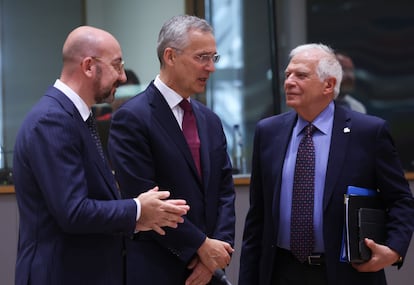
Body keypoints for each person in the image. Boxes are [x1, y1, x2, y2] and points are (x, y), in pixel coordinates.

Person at [13, 26, 190, 285]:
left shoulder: (77, 116)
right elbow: (73, 212)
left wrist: (138, 217)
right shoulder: (53, 120)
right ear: (88, 66)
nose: (122, 77)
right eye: (117, 65)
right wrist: (138, 209)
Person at [239, 43, 414, 285]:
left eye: (301, 75)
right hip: (281, 271)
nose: (289, 82)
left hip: (347, 273)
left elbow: (401, 201)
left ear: (329, 85)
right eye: (288, 74)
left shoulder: (368, 132)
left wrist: (394, 249)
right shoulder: (268, 131)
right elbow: (257, 218)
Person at [108, 15, 236, 285]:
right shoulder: (132, 117)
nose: (210, 67)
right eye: (202, 57)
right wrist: (200, 247)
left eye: (214, 57)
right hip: (158, 266)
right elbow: (147, 200)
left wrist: (214, 252)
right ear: (170, 56)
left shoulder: (210, 119)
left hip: (209, 269)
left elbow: (224, 190)